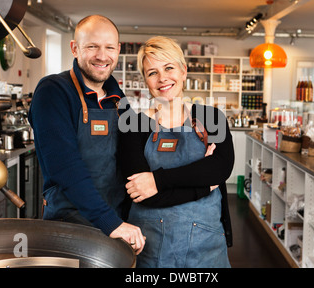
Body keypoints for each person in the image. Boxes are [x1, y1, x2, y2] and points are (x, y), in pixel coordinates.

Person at [28, 15, 145, 253]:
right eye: (92, 46)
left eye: (109, 47)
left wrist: (190, 141)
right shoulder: (53, 91)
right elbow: (65, 166)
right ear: (75, 48)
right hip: (70, 226)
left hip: (113, 221)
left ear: (118, 50)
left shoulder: (115, 96)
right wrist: (111, 223)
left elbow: (138, 140)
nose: (102, 56)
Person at [119, 36, 234, 267]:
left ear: (183, 71)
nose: (162, 78)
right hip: (150, 246)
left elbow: (220, 168)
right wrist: (203, 185)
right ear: (145, 81)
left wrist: (157, 180)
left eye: (169, 67)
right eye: (152, 72)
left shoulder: (211, 119)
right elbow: (141, 192)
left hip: (206, 247)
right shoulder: (133, 125)